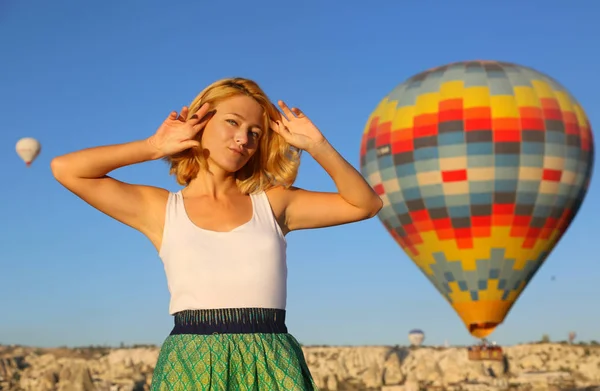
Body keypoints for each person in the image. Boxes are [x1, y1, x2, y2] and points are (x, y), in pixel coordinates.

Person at [51, 77, 383, 390]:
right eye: (233, 122)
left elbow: (365, 205)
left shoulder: (274, 202)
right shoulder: (161, 208)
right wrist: (154, 146)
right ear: (201, 120)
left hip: (272, 360)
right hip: (191, 363)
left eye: (256, 132)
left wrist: (318, 145)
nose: (244, 139)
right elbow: (66, 170)